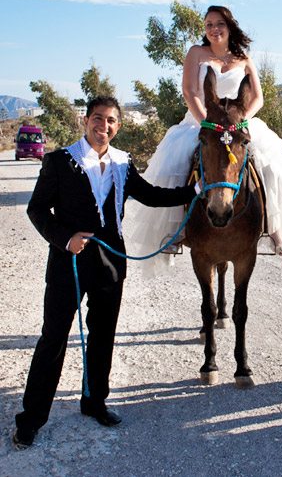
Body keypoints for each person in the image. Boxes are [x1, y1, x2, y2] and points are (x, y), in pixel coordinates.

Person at [14, 96, 198, 450]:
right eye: (98, 118)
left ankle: (94, 402)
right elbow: (37, 209)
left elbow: (151, 195)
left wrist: (194, 192)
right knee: (53, 338)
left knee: (103, 336)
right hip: (68, 262)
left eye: (111, 120)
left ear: (118, 125)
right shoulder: (59, 161)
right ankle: (31, 419)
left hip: (110, 264)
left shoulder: (122, 163)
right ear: (86, 121)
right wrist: (64, 239)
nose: (105, 125)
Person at [129, 5, 282, 273]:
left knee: (268, 164)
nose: (214, 29)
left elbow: (258, 97)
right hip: (201, 120)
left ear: (229, 27)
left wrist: (240, 120)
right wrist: (207, 121)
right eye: (209, 24)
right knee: (178, 162)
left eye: (219, 24)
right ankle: (175, 231)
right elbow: (190, 92)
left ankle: (273, 227)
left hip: (237, 122)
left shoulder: (244, 58)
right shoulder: (196, 54)